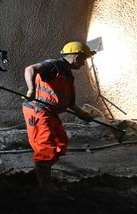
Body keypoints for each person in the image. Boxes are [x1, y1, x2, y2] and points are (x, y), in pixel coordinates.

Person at [22, 41, 96, 190]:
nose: (83, 64)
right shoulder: (53, 65)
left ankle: (39, 172)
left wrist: (80, 113)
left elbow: (66, 101)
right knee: (45, 147)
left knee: (61, 142)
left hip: (51, 113)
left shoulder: (67, 74)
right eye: (84, 59)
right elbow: (30, 69)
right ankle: (46, 186)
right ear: (76, 57)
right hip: (39, 111)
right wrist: (31, 89)